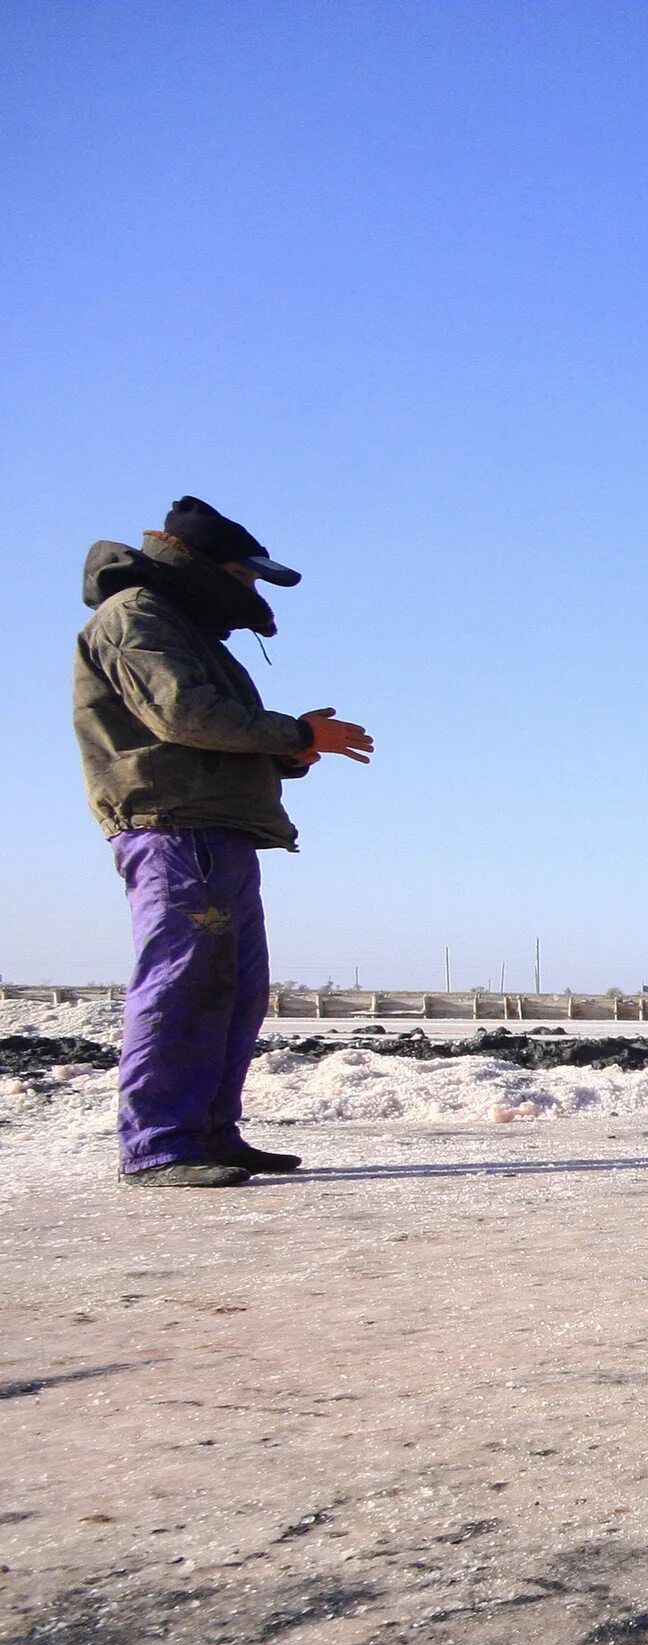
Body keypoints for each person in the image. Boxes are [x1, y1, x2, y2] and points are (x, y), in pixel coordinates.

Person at [70, 497, 375, 1188]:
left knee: (233, 989)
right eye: (247, 576)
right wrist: (294, 736)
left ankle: (208, 1132)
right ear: (212, 567)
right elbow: (182, 714)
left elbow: (209, 728)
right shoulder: (137, 616)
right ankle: (159, 1145)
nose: (254, 593)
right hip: (175, 829)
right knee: (184, 981)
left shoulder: (182, 625)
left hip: (215, 829)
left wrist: (289, 753)